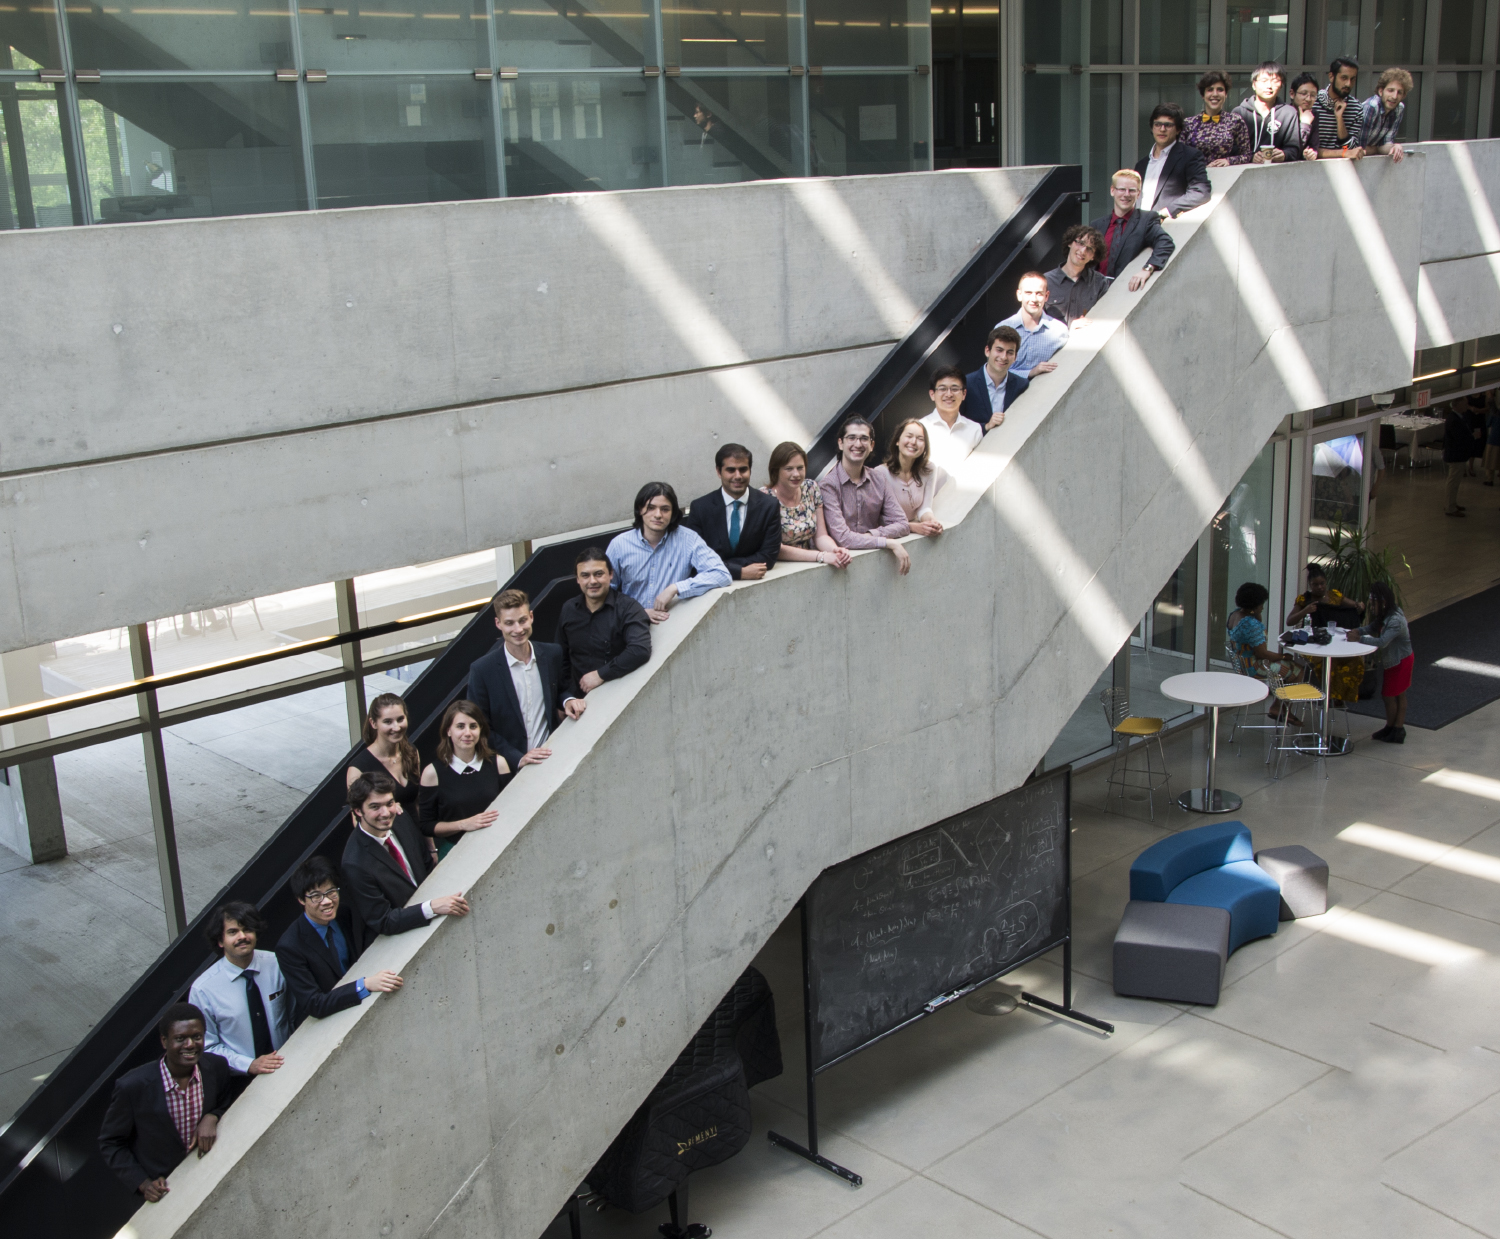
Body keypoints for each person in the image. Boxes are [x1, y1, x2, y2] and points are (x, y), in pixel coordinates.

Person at [98, 1003, 233, 1201]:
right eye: (180, 1039)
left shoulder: (217, 1067)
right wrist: (143, 1183)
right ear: (164, 1041)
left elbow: (226, 1102)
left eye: (197, 1037)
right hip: (166, 1192)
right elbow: (110, 1142)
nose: (190, 1045)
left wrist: (212, 1116)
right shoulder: (132, 1086)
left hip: (210, 1178)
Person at [340, 771, 470, 954]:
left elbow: (425, 863)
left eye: (389, 803)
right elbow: (383, 920)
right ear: (358, 811)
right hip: (399, 944)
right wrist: (431, 907)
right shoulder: (354, 862)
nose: (385, 813)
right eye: (375, 807)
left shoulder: (400, 818)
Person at [275, 855, 403, 1029]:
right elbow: (314, 1004)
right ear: (301, 899)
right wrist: (363, 985)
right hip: (328, 1026)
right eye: (316, 896)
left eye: (331, 892)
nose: (327, 901)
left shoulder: (343, 913)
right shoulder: (289, 947)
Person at [187, 902, 289, 1088]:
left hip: (287, 1066)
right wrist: (249, 1065)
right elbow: (207, 1047)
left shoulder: (276, 963)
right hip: (239, 1082)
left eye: (247, 929)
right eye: (233, 932)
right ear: (220, 940)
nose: (242, 937)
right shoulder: (203, 990)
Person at [466, 588, 565, 771]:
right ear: (498, 623)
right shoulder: (482, 670)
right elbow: (480, 727)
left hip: (552, 760)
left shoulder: (552, 654)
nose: (518, 629)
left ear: (531, 617)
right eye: (509, 623)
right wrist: (518, 758)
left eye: (522, 620)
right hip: (510, 770)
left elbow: (561, 689)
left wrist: (568, 700)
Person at [607, 483, 731, 623]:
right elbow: (605, 592)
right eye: (651, 508)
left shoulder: (688, 540)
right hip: (630, 624)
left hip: (671, 625)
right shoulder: (619, 545)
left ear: (673, 513)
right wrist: (635, 612)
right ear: (640, 509)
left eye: (665, 509)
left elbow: (722, 574)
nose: (658, 515)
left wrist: (676, 588)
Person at [555, 548, 653, 706]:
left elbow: (640, 650)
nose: (592, 581)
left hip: (618, 700)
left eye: (599, 574)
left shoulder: (628, 608)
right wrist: (565, 698)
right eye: (585, 575)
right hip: (578, 703)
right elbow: (561, 658)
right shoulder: (569, 609)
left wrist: (601, 675)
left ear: (611, 575)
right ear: (578, 579)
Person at [418, 699, 511, 861]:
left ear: (480, 730)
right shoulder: (432, 773)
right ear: (448, 731)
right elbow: (427, 826)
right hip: (455, 853)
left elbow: (512, 809)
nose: (467, 733)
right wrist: (464, 824)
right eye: (460, 726)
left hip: (497, 848)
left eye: (473, 726)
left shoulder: (499, 764)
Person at [818, 416, 912, 575]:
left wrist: (869, 535)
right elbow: (843, 539)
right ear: (841, 443)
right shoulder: (828, 485)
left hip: (872, 567)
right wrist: (888, 542)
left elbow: (902, 524)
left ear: (871, 445)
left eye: (864, 439)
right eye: (851, 438)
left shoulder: (879, 479)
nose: (858, 444)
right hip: (836, 572)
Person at [682, 443, 782, 581]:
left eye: (743, 469)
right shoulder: (700, 508)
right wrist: (739, 572)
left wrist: (720, 565)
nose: (738, 476)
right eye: (731, 470)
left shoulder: (769, 506)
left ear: (750, 470)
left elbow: (768, 557)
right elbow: (695, 559)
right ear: (718, 471)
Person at [761, 442, 852, 568]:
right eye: (789, 469)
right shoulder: (764, 498)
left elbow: (820, 536)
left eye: (800, 468)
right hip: (780, 568)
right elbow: (776, 548)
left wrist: (835, 550)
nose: (796, 474)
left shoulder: (811, 488)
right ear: (776, 470)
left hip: (808, 565)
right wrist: (820, 556)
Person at [1286, 563, 1365, 707]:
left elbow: (1355, 606)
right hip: (1315, 643)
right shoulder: (1304, 600)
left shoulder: (1334, 595)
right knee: (1327, 661)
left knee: (1354, 661)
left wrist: (1360, 605)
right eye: (1315, 585)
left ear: (1326, 582)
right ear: (1310, 585)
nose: (1320, 587)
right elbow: (1289, 621)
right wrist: (1305, 610)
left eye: (1322, 583)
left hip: (1335, 640)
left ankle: (1338, 696)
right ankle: (1327, 695)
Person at [1226, 582, 1302, 717]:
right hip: (1254, 668)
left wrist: (1256, 615)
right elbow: (1262, 654)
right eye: (1261, 604)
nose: (1263, 607)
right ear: (1254, 605)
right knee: (1297, 670)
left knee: (1286, 668)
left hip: (1242, 664)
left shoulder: (1235, 615)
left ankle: (1279, 706)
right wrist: (1283, 657)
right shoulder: (1251, 624)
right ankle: (1280, 707)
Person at [1090, 169, 1174, 290]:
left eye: (1132, 190)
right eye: (1122, 189)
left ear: (1138, 194)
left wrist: (1147, 269)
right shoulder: (1097, 225)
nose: (1126, 194)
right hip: (1093, 290)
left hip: (1124, 290)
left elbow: (1165, 243)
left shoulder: (1146, 220)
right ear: (1112, 190)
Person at [1352, 581, 1413, 743]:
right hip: (1394, 661)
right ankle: (1391, 727)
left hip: (1401, 661)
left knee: (1391, 695)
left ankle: (1397, 729)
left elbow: (1382, 642)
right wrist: (1358, 631)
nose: (1371, 607)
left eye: (1373, 604)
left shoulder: (1395, 620)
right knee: (1394, 694)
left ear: (1383, 602)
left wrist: (1359, 639)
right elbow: (1373, 627)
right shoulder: (1386, 614)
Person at [345, 693, 420, 823]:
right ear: (373, 723)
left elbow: (417, 804)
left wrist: (429, 843)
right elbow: (359, 821)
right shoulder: (359, 768)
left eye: (400, 719)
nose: (396, 727)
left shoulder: (411, 753)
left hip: (416, 836)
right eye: (388, 722)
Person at [872, 419, 948, 537]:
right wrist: (913, 527)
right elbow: (881, 519)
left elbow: (925, 508)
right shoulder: (879, 473)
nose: (913, 442)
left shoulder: (929, 469)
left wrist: (932, 522)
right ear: (897, 441)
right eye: (909, 436)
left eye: (920, 439)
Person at [1136, 103, 1211, 220]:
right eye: (1157, 124)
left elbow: (1201, 192)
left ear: (1178, 129)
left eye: (1168, 125)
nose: (1162, 129)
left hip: (1164, 226)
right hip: (1138, 226)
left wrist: (1168, 211)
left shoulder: (1190, 156)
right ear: (1152, 127)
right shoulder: (1141, 165)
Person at [996, 271, 1069, 379]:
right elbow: (995, 371)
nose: (1034, 299)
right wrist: (1030, 372)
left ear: (1046, 296)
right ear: (1019, 295)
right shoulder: (1002, 329)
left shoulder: (1059, 331)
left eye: (1039, 293)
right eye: (1028, 293)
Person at [1232, 61, 1303, 163]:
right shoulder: (1239, 113)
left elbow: (1294, 149)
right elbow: (1231, 148)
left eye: (1275, 81)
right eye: (1264, 80)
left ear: (1282, 84)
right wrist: (1251, 157)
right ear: (1254, 84)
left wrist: (1284, 154)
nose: (1269, 86)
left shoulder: (1289, 113)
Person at [963, 326, 1029, 432]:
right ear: (987, 351)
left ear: (1015, 357)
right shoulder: (966, 384)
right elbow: (958, 424)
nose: (1004, 357)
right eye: (999, 350)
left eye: (1010, 352)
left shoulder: (1021, 385)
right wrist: (986, 426)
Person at [1044, 224, 1110, 327]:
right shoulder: (1046, 281)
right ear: (1070, 243)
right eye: (1080, 243)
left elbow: (1105, 320)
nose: (1083, 251)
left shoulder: (1100, 283)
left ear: (1093, 256)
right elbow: (1036, 323)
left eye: (1090, 249)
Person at [1184, 70, 1253, 167]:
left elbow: (1247, 155)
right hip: (1194, 177)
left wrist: (1229, 161)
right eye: (1210, 89)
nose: (1215, 94)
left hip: (1224, 177)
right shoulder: (1188, 123)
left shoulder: (1235, 121)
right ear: (1202, 95)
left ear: (1226, 94)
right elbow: (1179, 156)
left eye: (1220, 89)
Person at [919, 366, 983, 468]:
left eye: (955, 389)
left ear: (964, 394)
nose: (949, 394)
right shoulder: (920, 428)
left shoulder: (975, 429)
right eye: (942, 389)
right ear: (932, 394)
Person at [1311, 57, 1365, 159]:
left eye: (1352, 79)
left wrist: (1340, 119)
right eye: (1344, 78)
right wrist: (1343, 153)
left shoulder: (1356, 108)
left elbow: (1350, 149)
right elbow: (1309, 150)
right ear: (1331, 76)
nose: (1348, 84)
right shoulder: (1313, 102)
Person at [1360, 67, 1411, 162]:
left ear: (1403, 96)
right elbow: (1359, 149)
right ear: (1380, 91)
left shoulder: (1399, 108)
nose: (1394, 96)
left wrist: (1395, 147)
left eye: (1399, 92)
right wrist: (1376, 149)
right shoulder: (1372, 107)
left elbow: (1385, 144)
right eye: (1390, 90)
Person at [1443, 401, 1475, 516]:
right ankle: (1450, 507)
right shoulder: (1454, 419)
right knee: (1453, 482)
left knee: (1455, 482)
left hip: (1458, 454)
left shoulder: (1459, 417)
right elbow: (1459, 438)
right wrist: (1472, 437)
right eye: (1464, 403)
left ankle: (1451, 503)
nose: (1466, 405)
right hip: (1455, 455)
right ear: (1457, 405)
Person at [1288, 72, 1320, 157]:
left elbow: (1314, 145)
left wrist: (1312, 152)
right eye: (1303, 93)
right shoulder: (1285, 113)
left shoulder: (1313, 114)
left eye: (1313, 95)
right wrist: (1305, 124)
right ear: (1292, 94)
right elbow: (1292, 148)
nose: (1308, 99)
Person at [1483, 396, 1500, 486]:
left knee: (1489, 461)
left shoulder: (1494, 414)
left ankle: (1489, 479)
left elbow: (1488, 424)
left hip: (1493, 439)